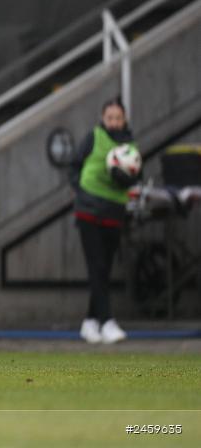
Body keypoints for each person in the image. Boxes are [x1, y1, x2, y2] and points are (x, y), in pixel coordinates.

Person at [70, 97, 139, 344]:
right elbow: (74, 165)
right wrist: (78, 189)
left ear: (124, 120)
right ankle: (107, 321)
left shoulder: (130, 146)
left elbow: (136, 175)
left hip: (114, 212)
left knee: (104, 269)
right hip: (89, 210)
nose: (113, 122)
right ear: (103, 118)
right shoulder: (93, 137)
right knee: (97, 266)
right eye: (109, 118)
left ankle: (90, 323)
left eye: (118, 118)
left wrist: (125, 176)